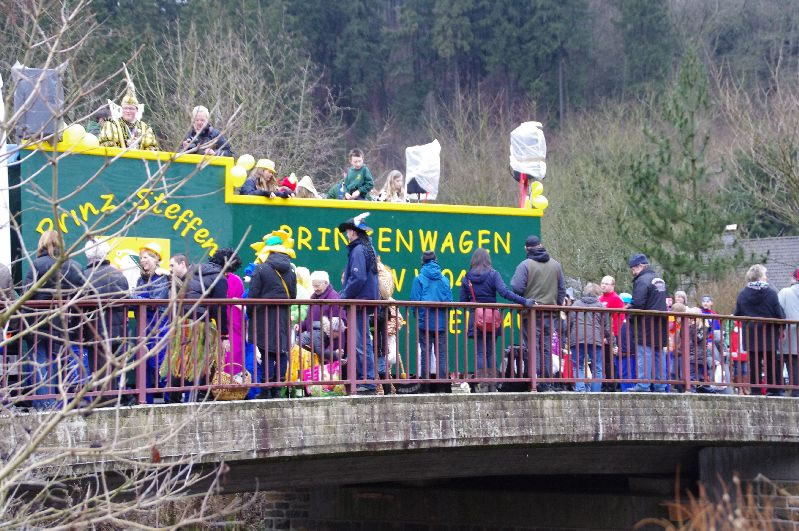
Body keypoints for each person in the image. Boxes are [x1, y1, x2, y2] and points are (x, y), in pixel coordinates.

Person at [22, 230, 86, 409]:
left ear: (42, 244)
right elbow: (84, 294)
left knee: (39, 362)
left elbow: (26, 294)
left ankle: (44, 404)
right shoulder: (74, 266)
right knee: (57, 362)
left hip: (38, 322)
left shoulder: (37, 264)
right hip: (64, 323)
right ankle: (57, 403)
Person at [461, 248, 534, 392]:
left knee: (480, 352)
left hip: (476, 319)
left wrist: (474, 306)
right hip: (492, 319)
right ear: (488, 260)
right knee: (491, 351)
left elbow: (462, 301)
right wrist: (524, 301)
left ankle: (482, 384)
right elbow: (504, 292)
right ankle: (493, 384)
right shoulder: (493, 274)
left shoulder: (467, 278)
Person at [510, 234, 565, 392]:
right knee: (546, 346)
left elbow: (517, 287)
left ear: (526, 248)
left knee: (533, 346)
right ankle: (546, 381)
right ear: (540, 245)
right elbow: (562, 290)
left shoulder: (525, 265)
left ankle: (536, 381)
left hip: (531, 313)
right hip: (550, 313)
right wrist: (556, 305)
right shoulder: (556, 265)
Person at [248, 231, 297, 398]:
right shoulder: (291, 269)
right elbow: (293, 295)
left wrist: (251, 313)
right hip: (282, 315)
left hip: (264, 315)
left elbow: (253, 294)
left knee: (266, 351)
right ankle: (278, 388)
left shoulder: (261, 268)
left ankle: (266, 388)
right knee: (281, 351)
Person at [82, 237, 130, 392]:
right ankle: (114, 397)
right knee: (113, 369)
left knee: (98, 370)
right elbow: (126, 300)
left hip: (94, 331)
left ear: (88, 255)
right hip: (117, 332)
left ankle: (104, 399)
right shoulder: (119, 276)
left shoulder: (85, 276)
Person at [338, 212, 379, 393]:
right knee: (363, 342)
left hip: (359, 302)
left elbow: (358, 278)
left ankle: (367, 380)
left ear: (353, 232)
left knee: (360, 343)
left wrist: (343, 296)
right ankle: (367, 379)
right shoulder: (366, 248)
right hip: (365, 301)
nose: (347, 234)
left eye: (348, 231)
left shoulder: (358, 250)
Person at [734, 264, 785, 396]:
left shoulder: (742, 294)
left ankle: (755, 390)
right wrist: (782, 325)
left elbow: (737, 314)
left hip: (751, 335)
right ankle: (774, 390)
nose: (767, 277)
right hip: (769, 334)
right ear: (760, 277)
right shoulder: (771, 293)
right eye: (765, 275)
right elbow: (779, 315)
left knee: (754, 364)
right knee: (772, 363)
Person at [132, 242, 170, 403]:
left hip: (158, 326)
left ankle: (169, 398)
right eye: (141, 257)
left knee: (158, 363)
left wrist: (135, 298)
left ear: (156, 259)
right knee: (143, 363)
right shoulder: (140, 280)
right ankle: (145, 400)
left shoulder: (161, 278)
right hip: (143, 326)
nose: (142, 260)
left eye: (146, 257)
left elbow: (156, 300)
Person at [410, 250, 451, 392]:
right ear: (436, 260)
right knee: (442, 354)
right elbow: (449, 301)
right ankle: (442, 386)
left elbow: (414, 301)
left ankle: (425, 387)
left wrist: (418, 317)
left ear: (423, 261)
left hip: (425, 323)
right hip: (441, 323)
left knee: (425, 354)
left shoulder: (419, 279)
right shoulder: (444, 279)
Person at [627, 253, 668, 392]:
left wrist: (629, 312)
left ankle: (643, 385)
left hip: (645, 323)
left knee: (645, 353)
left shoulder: (642, 280)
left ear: (640, 266)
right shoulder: (659, 279)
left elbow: (638, 303)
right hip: (660, 322)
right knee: (659, 354)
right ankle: (660, 385)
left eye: (633, 269)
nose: (633, 272)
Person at [99, 68, 159, 150]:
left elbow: (152, 149)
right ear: (122, 109)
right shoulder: (111, 124)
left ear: (137, 110)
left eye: (131, 108)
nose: (128, 111)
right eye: (125, 108)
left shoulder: (145, 128)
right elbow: (106, 147)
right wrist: (126, 147)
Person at [568, 283, 610, 392]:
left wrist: (568, 337)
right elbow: (606, 326)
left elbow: (569, 322)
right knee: (597, 367)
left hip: (577, 337)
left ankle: (580, 389)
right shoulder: (601, 306)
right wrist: (611, 340)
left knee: (578, 366)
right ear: (597, 294)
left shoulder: (576, 304)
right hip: (595, 339)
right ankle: (596, 392)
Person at [298, 270, 346, 361]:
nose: (315, 288)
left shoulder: (334, 298)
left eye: (317, 286)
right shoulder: (313, 298)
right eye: (313, 286)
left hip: (327, 346)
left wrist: (335, 350)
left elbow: (338, 327)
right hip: (315, 343)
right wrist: (300, 326)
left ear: (326, 283)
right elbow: (308, 319)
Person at [778, 268, 799, 395]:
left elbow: (778, 312)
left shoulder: (785, 292)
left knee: (792, 363)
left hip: (789, 337)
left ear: (793, 278)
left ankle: (795, 393)